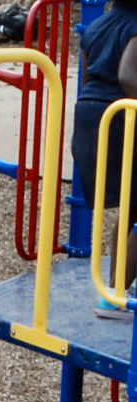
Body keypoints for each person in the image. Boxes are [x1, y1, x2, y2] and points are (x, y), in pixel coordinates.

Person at [71, 0, 137, 318]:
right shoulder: (136, 27)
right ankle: (116, 294)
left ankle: (115, 289)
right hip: (119, 120)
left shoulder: (97, 27)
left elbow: (86, 77)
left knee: (131, 206)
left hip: (89, 121)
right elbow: (128, 74)